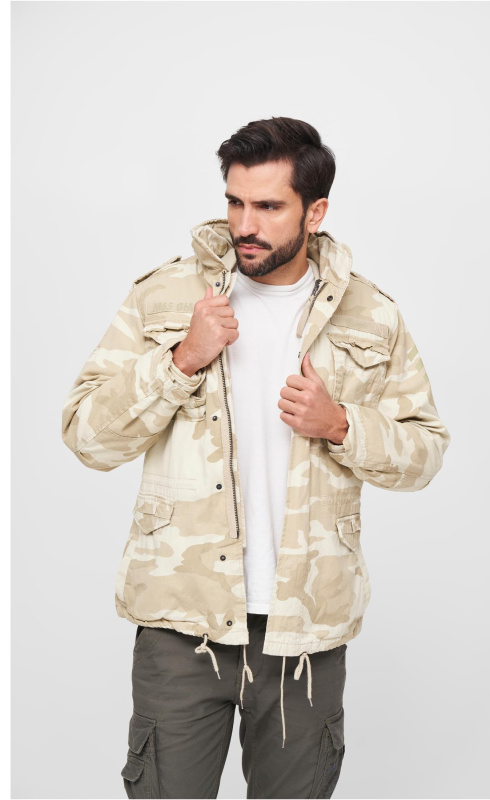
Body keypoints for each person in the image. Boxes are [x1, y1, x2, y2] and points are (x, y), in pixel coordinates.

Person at [61, 116, 451, 799]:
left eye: (268, 206)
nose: (246, 224)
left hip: (305, 631)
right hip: (183, 623)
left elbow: (424, 454)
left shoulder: (371, 315)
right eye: (235, 202)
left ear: (315, 212)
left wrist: (342, 425)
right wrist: (182, 359)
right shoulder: (166, 296)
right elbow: (87, 436)